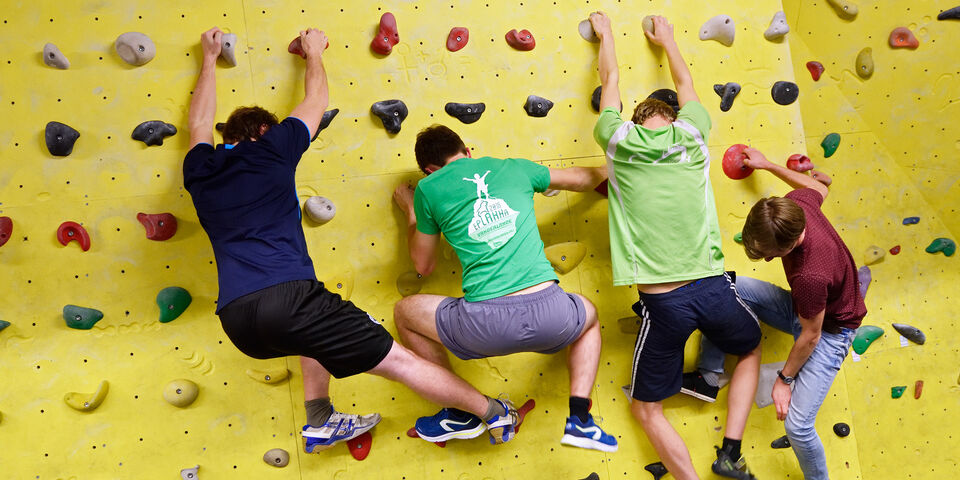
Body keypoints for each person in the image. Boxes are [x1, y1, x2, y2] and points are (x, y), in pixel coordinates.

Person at [182, 27, 519, 453]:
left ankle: (319, 417)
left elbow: (197, 123)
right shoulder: (271, 149)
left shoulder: (200, 168)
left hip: (236, 320)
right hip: (288, 299)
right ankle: (494, 412)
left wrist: (209, 59)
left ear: (226, 138)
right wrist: (315, 54)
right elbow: (315, 103)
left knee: (312, 334)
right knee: (399, 361)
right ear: (266, 131)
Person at [589, 12, 761, 479]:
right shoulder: (694, 135)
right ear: (675, 120)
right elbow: (685, 80)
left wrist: (606, 35)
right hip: (713, 289)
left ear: (638, 120)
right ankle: (730, 449)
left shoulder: (617, 140)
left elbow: (611, 77)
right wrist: (666, 38)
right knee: (750, 349)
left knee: (646, 409)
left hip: (665, 304)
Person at [391, 124, 617, 451]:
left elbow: (423, 266)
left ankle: (461, 411)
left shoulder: (428, 188)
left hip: (483, 326)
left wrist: (412, 211)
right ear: (467, 150)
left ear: (429, 170)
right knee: (589, 316)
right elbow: (580, 179)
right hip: (552, 316)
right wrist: (611, 167)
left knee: (404, 313)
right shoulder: (513, 167)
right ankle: (580, 417)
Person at [686, 148, 863, 480]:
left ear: (794, 241)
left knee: (798, 426)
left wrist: (785, 380)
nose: (768, 261)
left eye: (772, 255)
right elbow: (819, 188)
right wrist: (766, 165)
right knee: (722, 287)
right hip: (807, 310)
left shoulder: (809, 275)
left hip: (829, 332)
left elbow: (810, 336)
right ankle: (707, 378)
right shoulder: (799, 206)